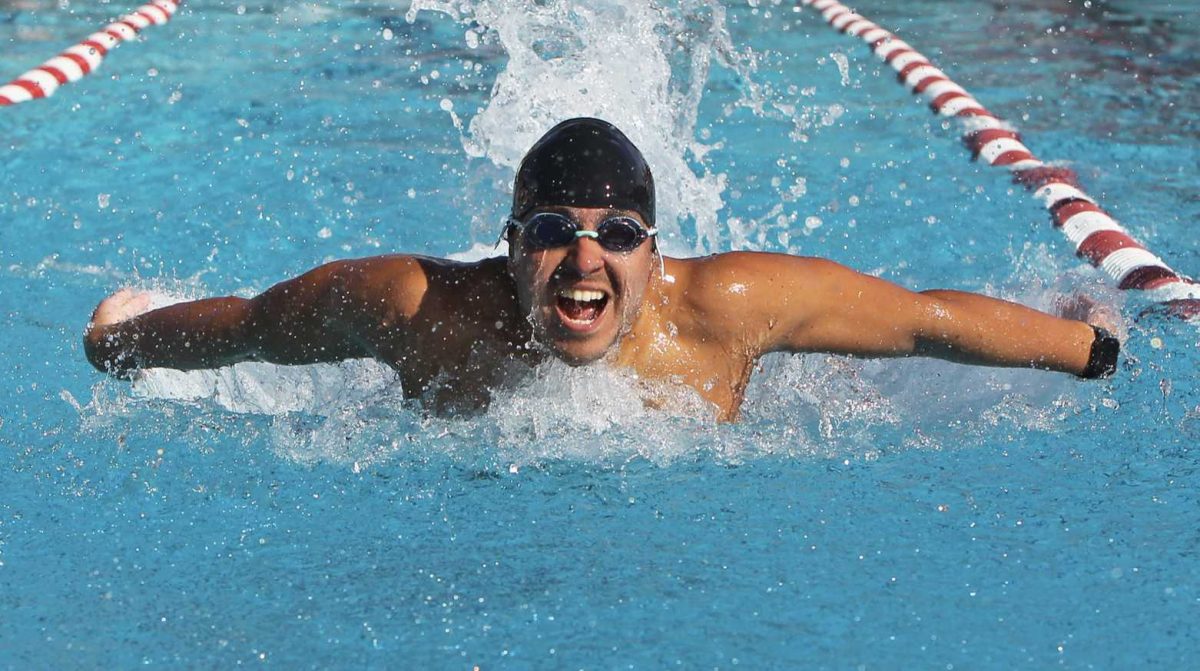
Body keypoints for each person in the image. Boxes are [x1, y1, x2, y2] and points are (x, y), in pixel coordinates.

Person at [85, 118, 1120, 421]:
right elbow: (258, 325)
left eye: (617, 232)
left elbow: (924, 320)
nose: (585, 257)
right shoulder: (420, 306)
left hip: (776, 369)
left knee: (863, 365)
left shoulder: (723, 305)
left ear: (653, 252)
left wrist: (1093, 349)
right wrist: (122, 338)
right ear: (510, 244)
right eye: (552, 230)